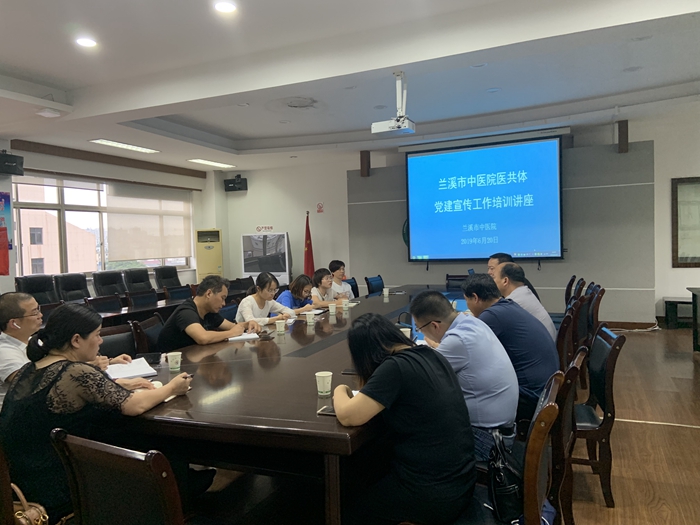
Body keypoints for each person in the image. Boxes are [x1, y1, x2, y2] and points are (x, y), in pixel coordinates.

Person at [0, 303, 192, 523]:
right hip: (60, 487)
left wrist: (119, 384)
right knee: (155, 448)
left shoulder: (30, 368)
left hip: (19, 482)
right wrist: (172, 388)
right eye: (97, 335)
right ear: (76, 340)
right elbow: (134, 406)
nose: (101, 341)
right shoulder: (74, 371)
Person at [334, 313, 475, 525]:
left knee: (347, 509)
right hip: (461, 480)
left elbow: (348, 416)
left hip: (432, 494)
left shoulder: (395, 367)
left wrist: (340, 389)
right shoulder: (430, 354)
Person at [409, 290, 519, 461]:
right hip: (501, 431)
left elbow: (419, 379)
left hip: (487, 441)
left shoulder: (457, 340)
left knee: (411, 436)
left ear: (434, 326)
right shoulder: (473, 323)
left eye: (420, 328)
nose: (421, 333)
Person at [462, 274, 559, 422]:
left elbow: (466, 351)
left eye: (466, 300)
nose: (467, 305)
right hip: (545, 392)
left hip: (530, 398)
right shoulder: (508, 305)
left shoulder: (492, 316)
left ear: (475, 298)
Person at [0, 292, 131, 384]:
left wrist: (109, 362)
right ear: (14, 323)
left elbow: (56, 365)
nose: (41, 315)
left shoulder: (32, 340)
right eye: (34, 312)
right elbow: (28, 383)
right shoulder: (4, 351)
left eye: (39, 309)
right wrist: (89, 366)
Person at [159, 275, 261, 352]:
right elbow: (203, 338)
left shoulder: (209, 311)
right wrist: (232, 333)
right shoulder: (186, 312)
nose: (223, 303)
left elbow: (231, 326)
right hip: (170, 365)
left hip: (192, 357)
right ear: (209, 293)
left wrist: (247, 324)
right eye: (222, 298)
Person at [494, 262, 557, 341]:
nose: (492, 282)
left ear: (505, 281)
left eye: (493, 278)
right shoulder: (524, 293)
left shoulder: (513, 302)